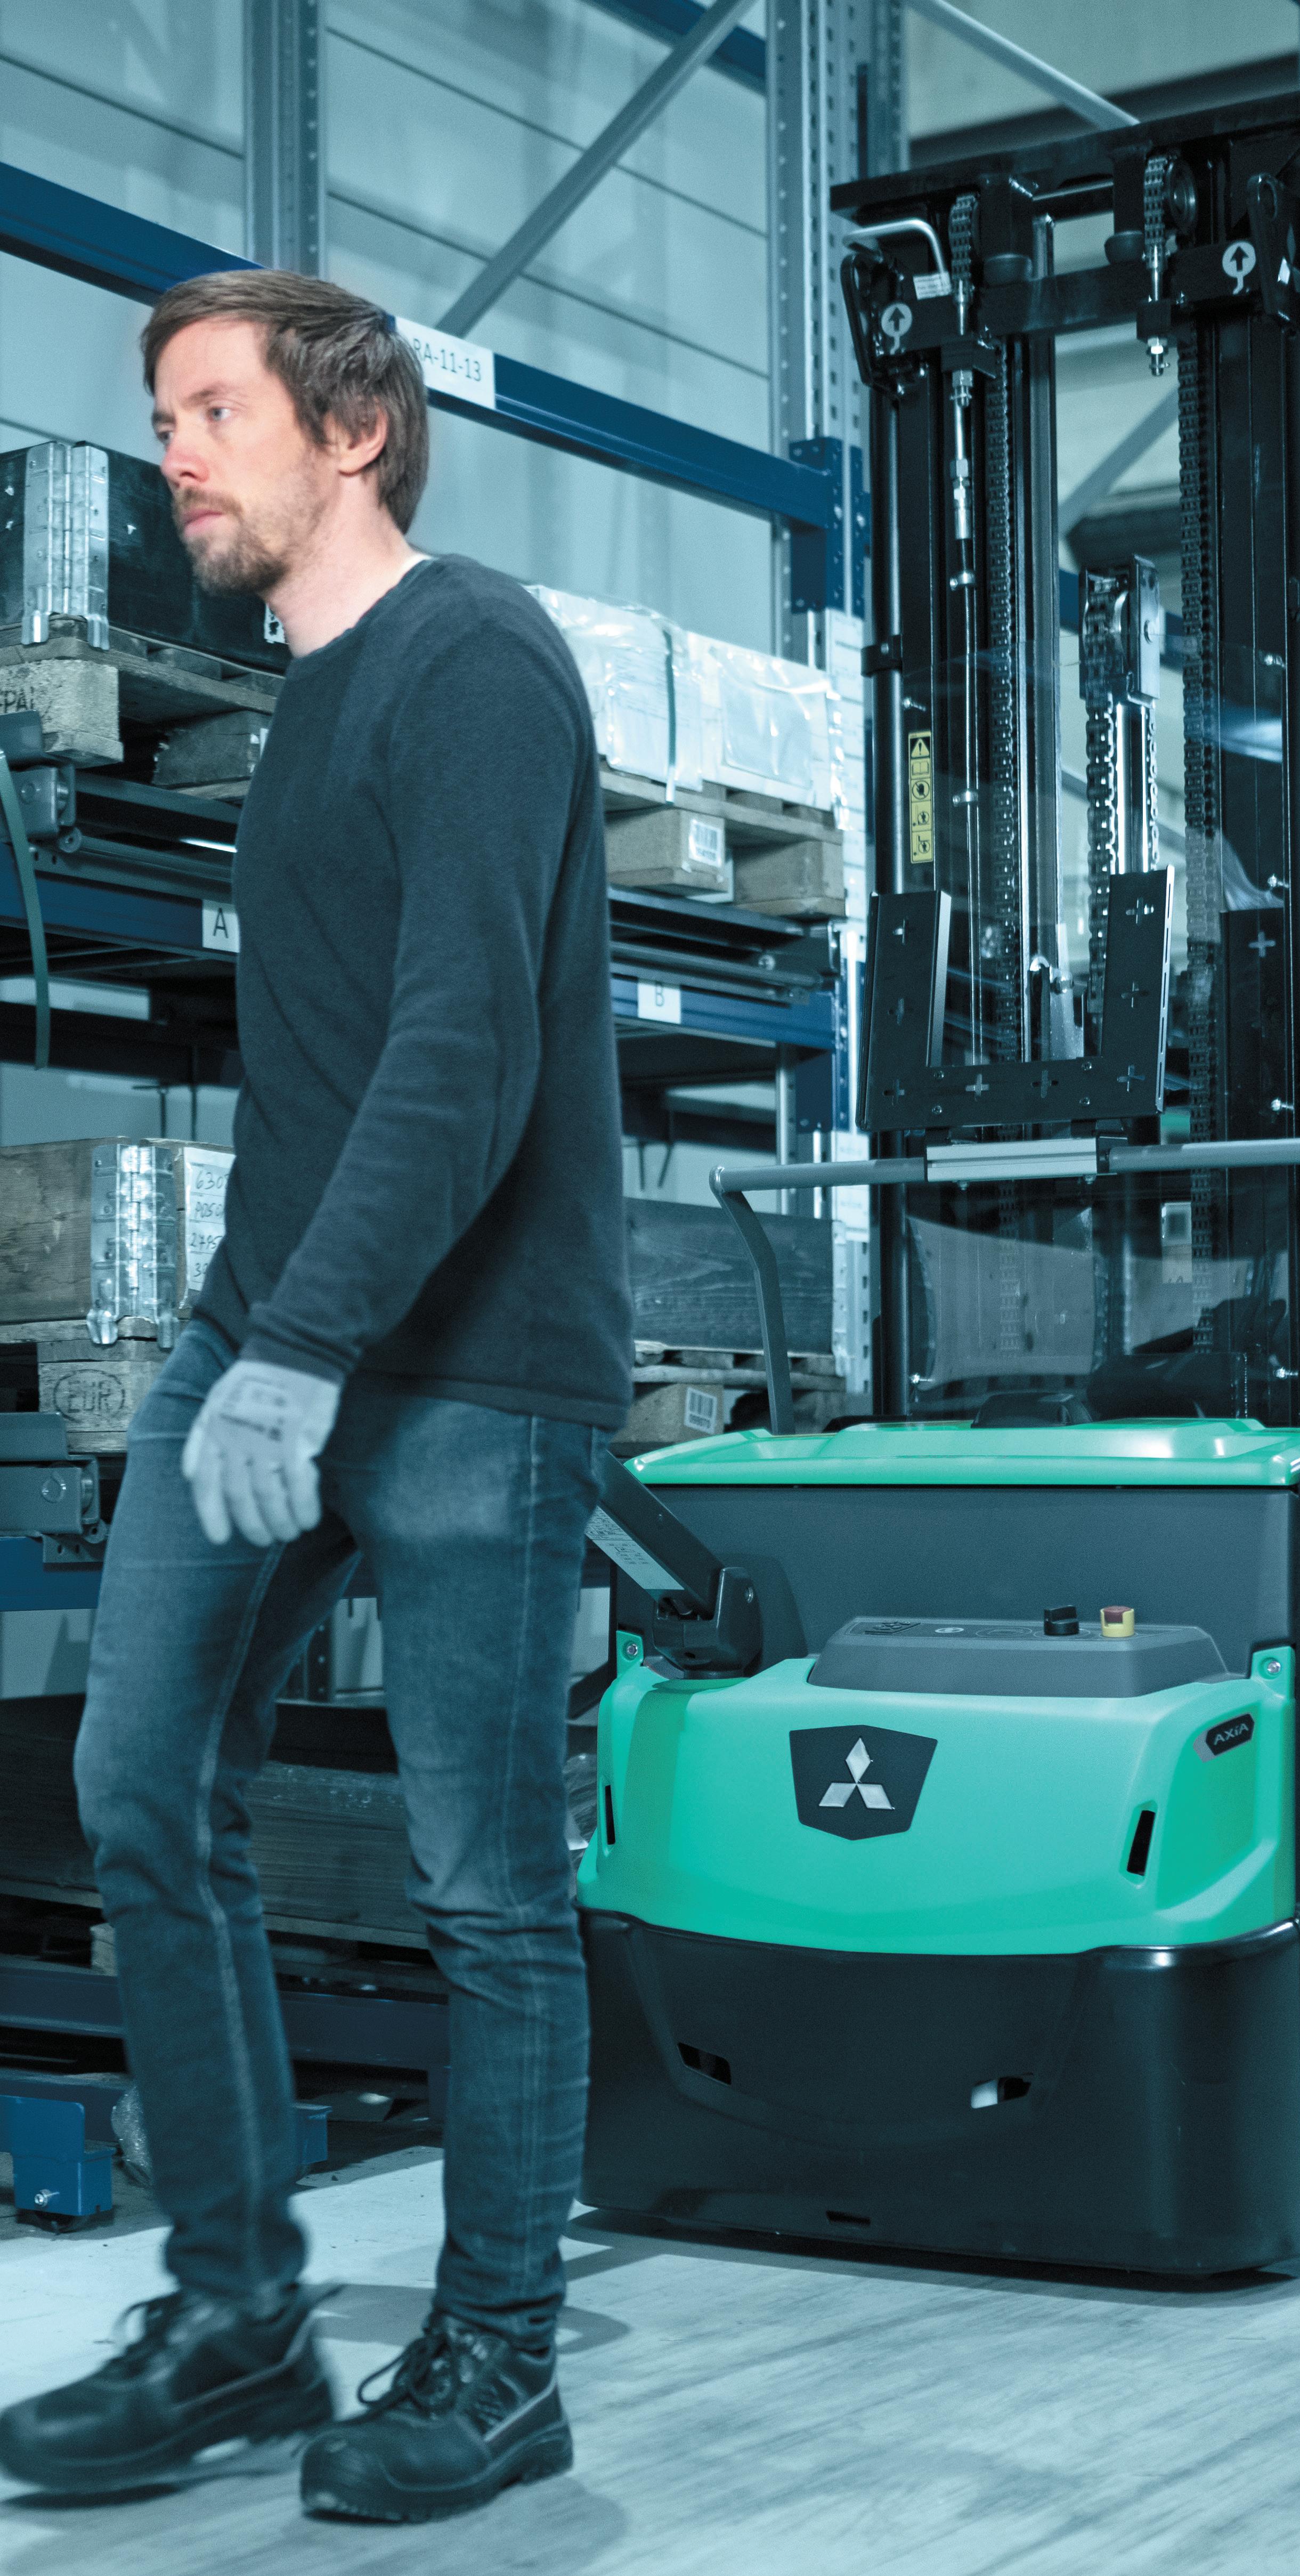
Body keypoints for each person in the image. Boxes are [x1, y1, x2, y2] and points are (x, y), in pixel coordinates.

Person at [0, 270, 631, 2523]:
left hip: (469, 1366)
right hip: (274, 1335)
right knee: (140, 1782)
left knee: (484, 1884)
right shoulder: (311, 706)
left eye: (214, 412)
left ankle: (500, 2357)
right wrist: (252, 1333)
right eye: (166, 417)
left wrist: (305, 1344)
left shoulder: (477, 664)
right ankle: (242, 2316)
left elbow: (467, 1050)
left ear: (353, 429)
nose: (175, 453)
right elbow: (327, 1086)